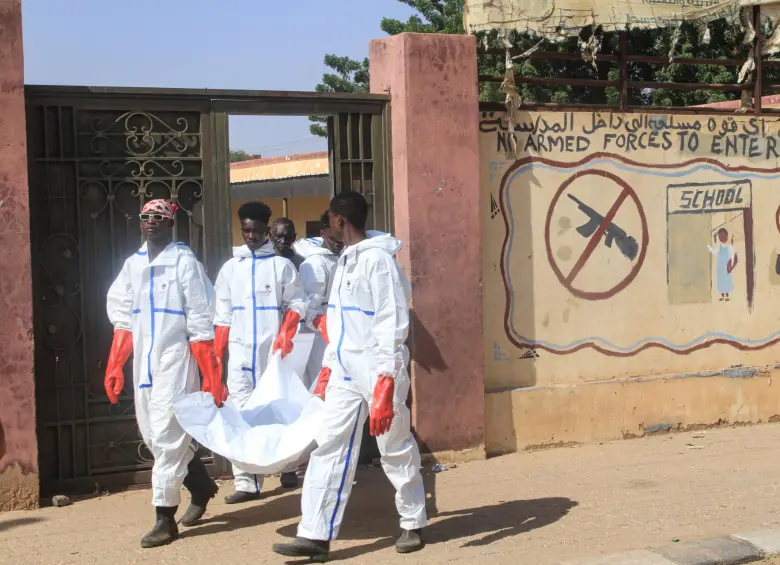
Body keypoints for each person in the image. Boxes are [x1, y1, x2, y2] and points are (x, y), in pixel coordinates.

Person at [272, 192, 427, 561]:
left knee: (394, 444)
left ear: (342, 221)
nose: (327, 228)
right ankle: (315, 534)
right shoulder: (345, 260)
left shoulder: (378, 262)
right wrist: (328, 367)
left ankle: (413, 520)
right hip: (344, 369)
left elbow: (392, 323)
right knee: (329, 444)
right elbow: (340, 323)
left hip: (377, 368)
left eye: (330, 221)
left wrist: (386, 384)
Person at [105, 199, 225, 548]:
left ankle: (164, 517)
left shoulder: (184, 263)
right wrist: (115, 366)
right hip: (144, 360)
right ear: (139, 222)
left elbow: (202, 323)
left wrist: (211, 374)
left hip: (175, 359)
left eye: (159, 217)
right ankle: (200, 484)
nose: (152, 222)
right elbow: (123, 318)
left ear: (171, 223)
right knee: (152, 436)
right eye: (146, 217)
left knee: (168, 433)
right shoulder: (133, 265)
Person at [214, 201, 307, 502]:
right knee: (240, 415)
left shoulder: (281, 267)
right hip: (240, 356)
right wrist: (217, 359)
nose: (250, 236)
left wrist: (286, 332)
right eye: (245, 230)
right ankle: (247, 483)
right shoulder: (231, 268)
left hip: (272, 354)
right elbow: (222, 317)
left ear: (266, 230)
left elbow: (297, 304)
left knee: (277, 411)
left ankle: (287, 469)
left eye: (255, 230)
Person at [293, 210, 343, 390]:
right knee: (321, 384)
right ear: (322, 233)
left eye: (340, 240)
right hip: (319, 337)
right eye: (333, 240)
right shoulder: (314, 264)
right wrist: (329, 332)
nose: (337, 244)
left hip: (339, 332)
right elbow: (310, 309)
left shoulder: (343, 257)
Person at [708, 227, 738, 301]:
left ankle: (727, 295)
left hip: (727, 266)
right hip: (720, 267)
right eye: (720, 237)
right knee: (721, 280)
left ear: (726, 236)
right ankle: (722, 295)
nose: (721, 238)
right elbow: (714, 252)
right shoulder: (719, 246)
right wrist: (709, 247)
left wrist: (731, 265)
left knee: (727, 280)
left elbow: (733, 256)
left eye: (723, 236)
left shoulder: (729, 247)